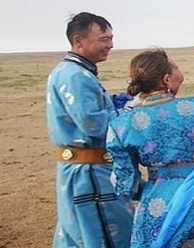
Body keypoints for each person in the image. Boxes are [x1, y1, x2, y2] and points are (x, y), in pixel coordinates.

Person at [106, 48, 194, 248]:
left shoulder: (122, 125)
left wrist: (147, 190)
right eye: (176, 67)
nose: (181, 73)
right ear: (167, 80)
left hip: (156, 199)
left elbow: (125, 183)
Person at [46, 12, 134, 247]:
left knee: (79, 233)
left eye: (111, 38)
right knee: (104, 233)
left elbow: (95, 110)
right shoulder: (77, 76)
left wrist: (124, 100)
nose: (110, 45)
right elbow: (93, 125)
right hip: (90, 172)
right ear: (79, 40)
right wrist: (132, 112)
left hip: (82, 169)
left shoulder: (74, 72)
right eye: (104, 39)